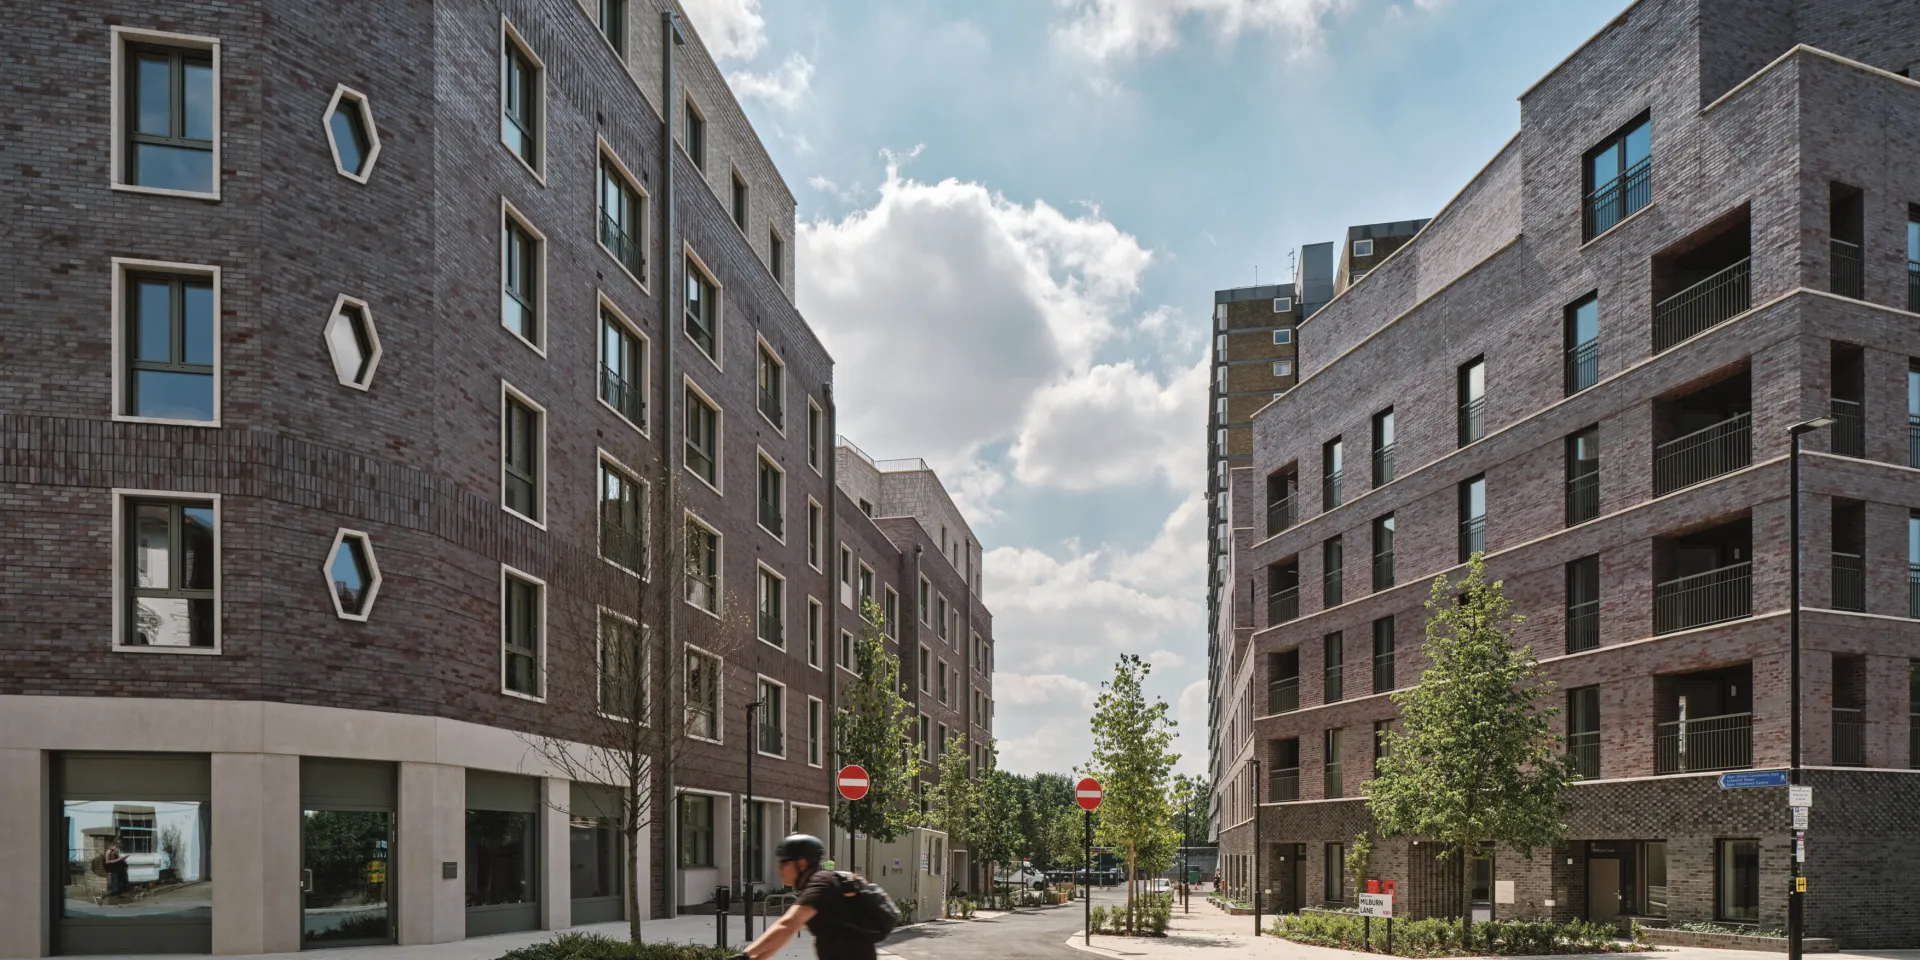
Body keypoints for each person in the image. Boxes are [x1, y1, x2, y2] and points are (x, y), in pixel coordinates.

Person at [731, 834, 873, 960]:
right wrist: (755, 957)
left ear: (802, 863)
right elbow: (786, 934)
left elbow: (788, 925)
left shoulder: (821, 884)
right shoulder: (819, 884)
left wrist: (745, 955)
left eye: (784, 862)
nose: (779, 869)